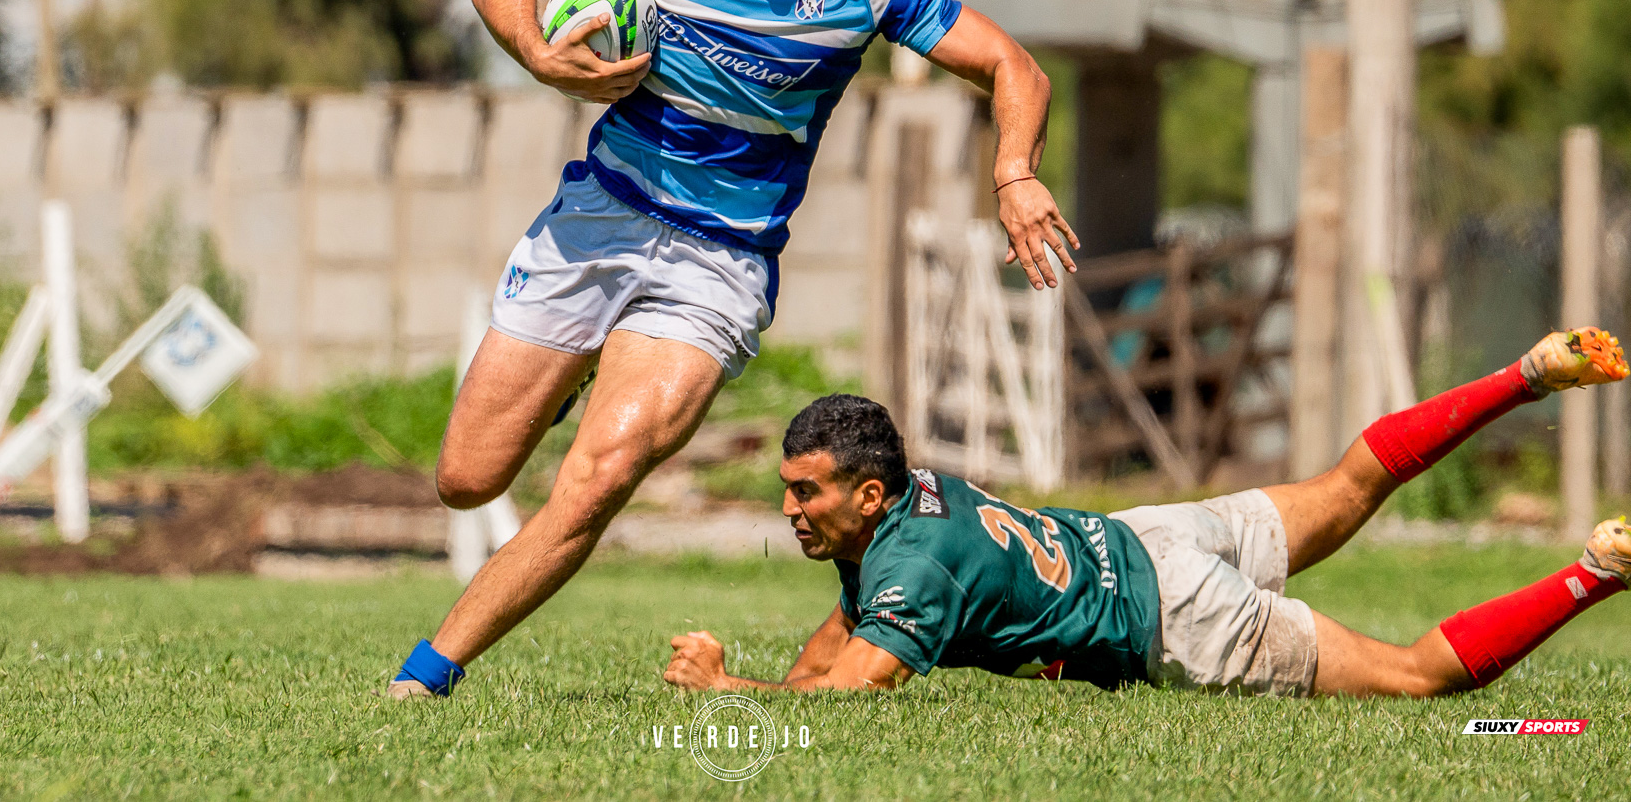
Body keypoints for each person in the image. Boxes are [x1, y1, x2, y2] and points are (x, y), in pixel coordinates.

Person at [389, 0, 1079, 698]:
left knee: (601, 474)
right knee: (466, 480)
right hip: (601, 216)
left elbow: (1012, 64)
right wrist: (540, 55)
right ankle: (582, 362)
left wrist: (1015, 172)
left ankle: (429, 670)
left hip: (719, 263)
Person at [663, 329, 1631, 697]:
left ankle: (1599, 571)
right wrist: (785, 676)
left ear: (865, 495)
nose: (786, 507)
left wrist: (726, 692)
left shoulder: (912, 568)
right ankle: (1524, 374)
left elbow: (847, 697)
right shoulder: (902, 503)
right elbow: (843, 625)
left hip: (1176, 620)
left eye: (804, 492)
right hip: (1147, 533)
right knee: (1347, 484)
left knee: (1417, 679)